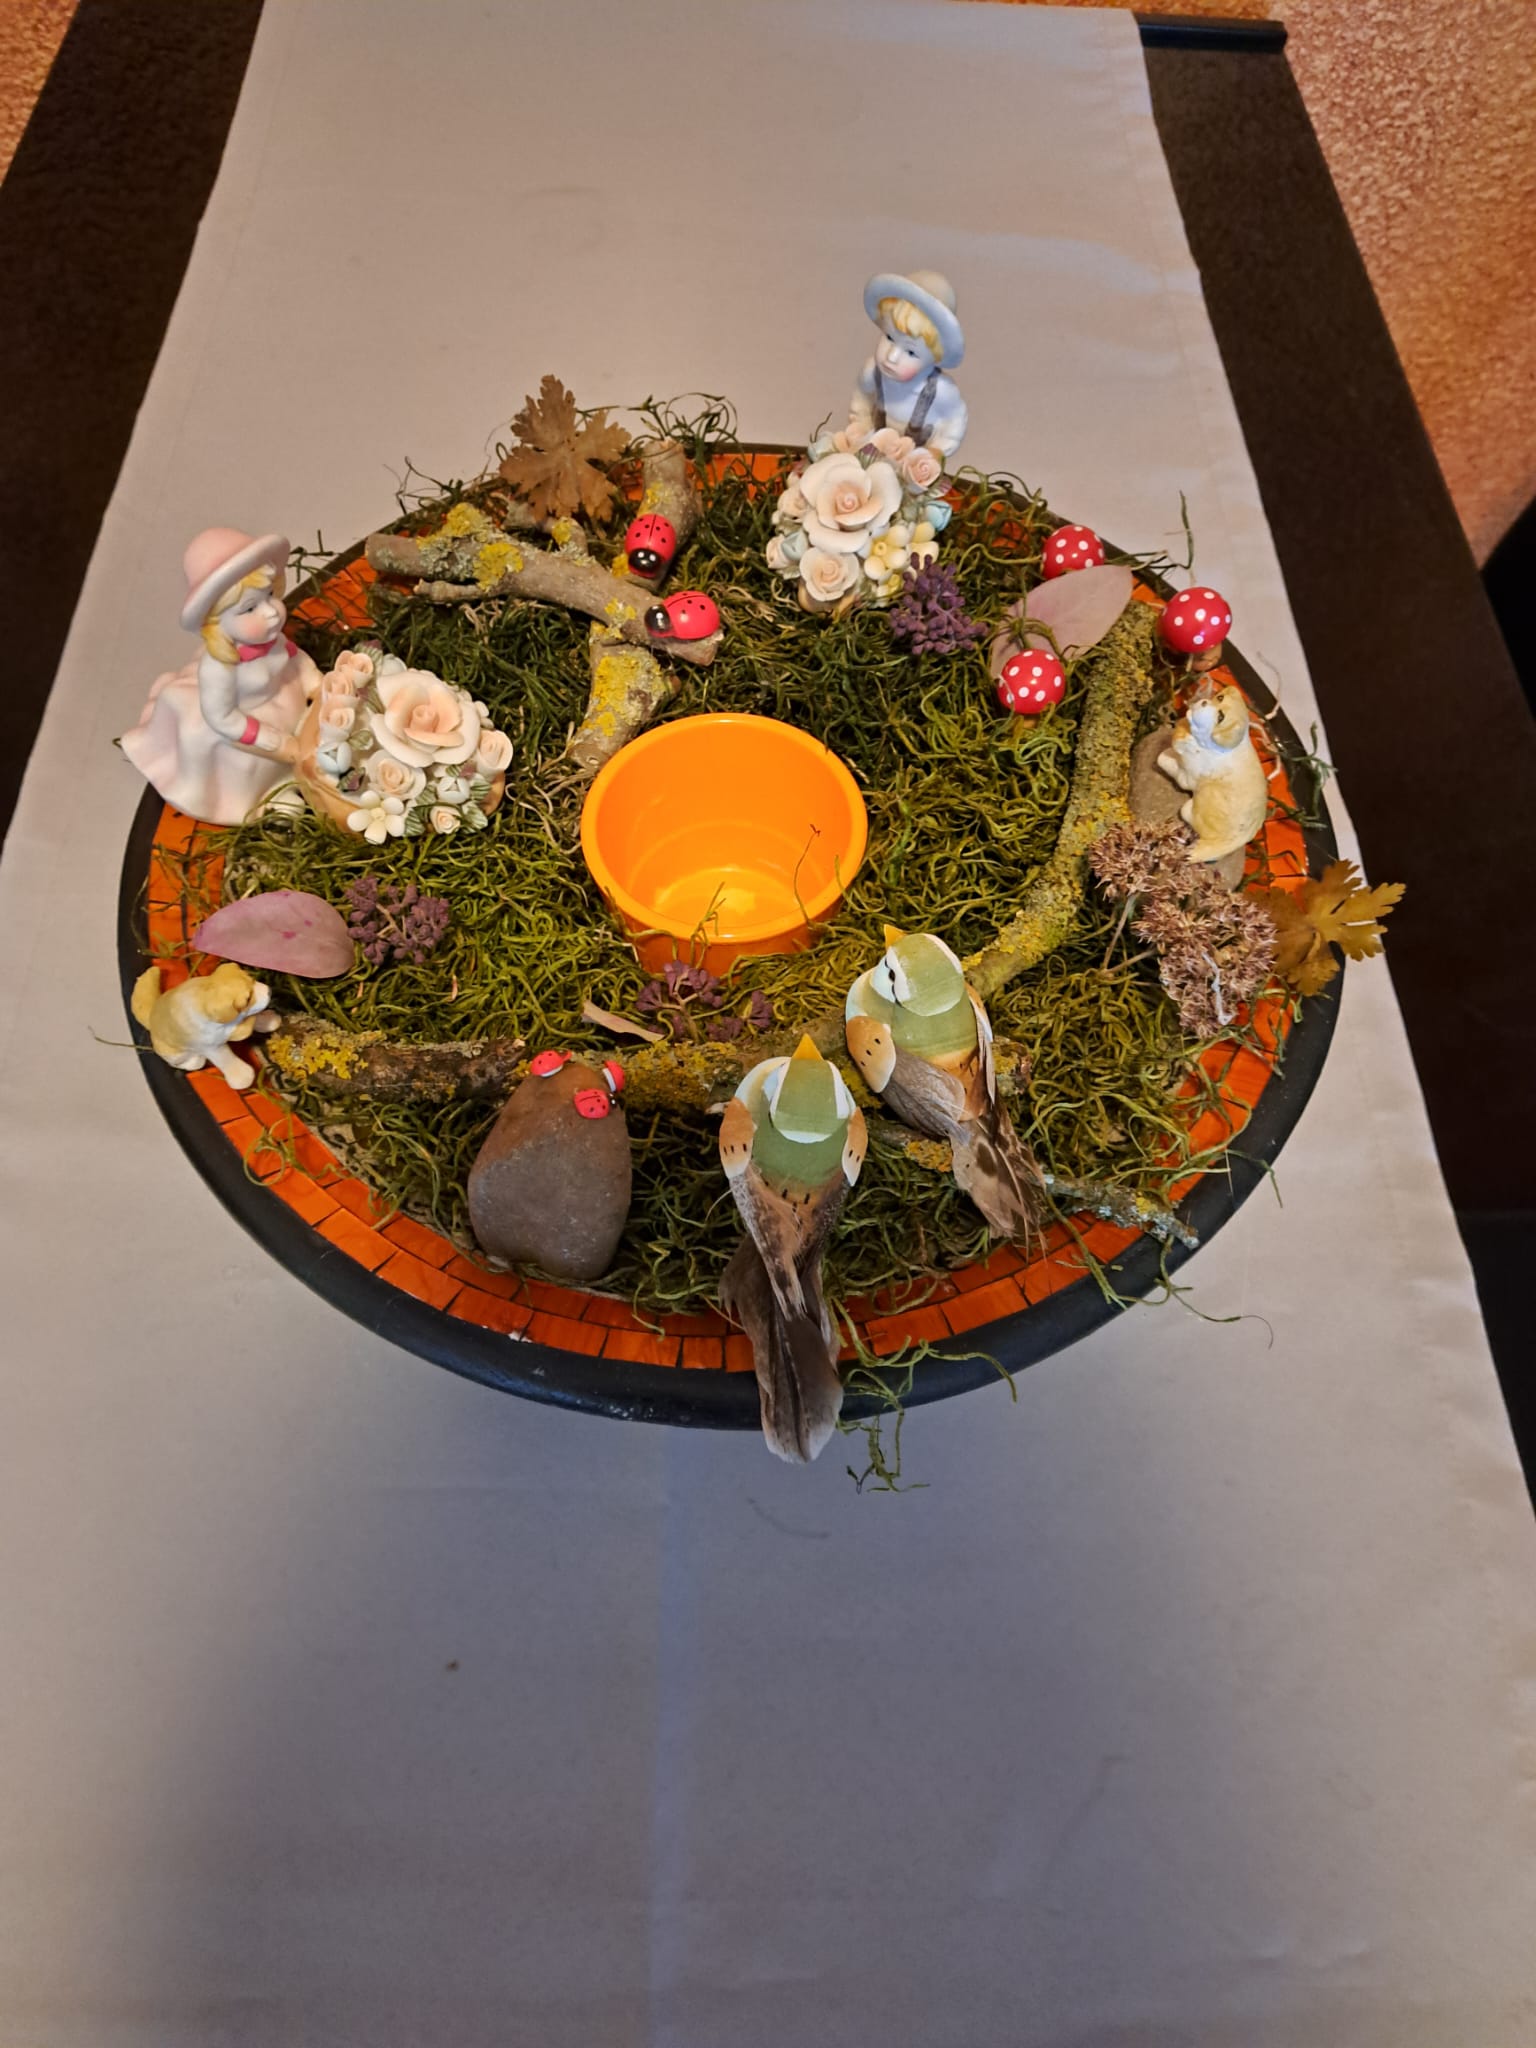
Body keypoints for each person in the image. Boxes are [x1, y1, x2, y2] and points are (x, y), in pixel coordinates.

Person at [119, 528, 319, 824]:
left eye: (269, 596)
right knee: (252, 767)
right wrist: (273, 742)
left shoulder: (270, 639)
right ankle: (267, 796)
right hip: (248, 730)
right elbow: (224, 719)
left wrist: (315, 681)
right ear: (216, 622)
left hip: (285, 700)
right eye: (250, 608)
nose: (271, 612)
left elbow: (294, 656)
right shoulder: (221, 669)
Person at [848, 269, 968, 460]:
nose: (892, 356)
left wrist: (936, 452)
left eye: (911, 352)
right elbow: (861, 397)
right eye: (889, 337)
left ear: (933, 359)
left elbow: (954, 422)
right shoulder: (872, 372)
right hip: (873, 461)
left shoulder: (941, 391)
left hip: (910, 471)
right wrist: (862, 426)